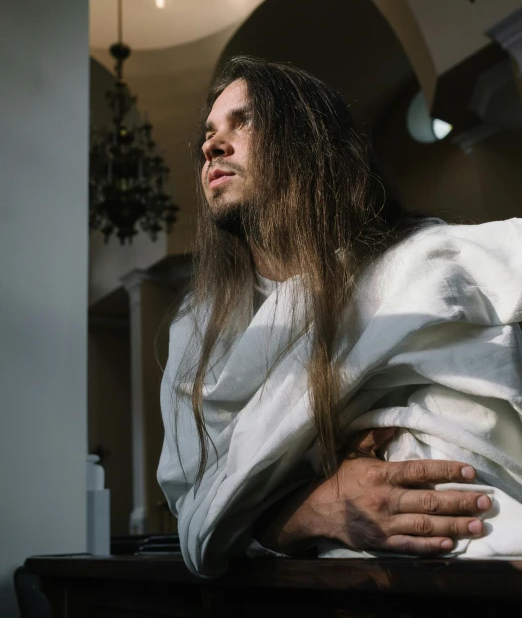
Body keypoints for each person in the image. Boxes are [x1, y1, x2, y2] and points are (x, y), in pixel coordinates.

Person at [157, 56, 522, 578]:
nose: (211, 144)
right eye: (210, 132)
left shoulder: (421, 263)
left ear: (309, 142)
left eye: (246, 120)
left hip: (480, 557)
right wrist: (311, 509)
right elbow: (198, 510)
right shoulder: (197, 335)